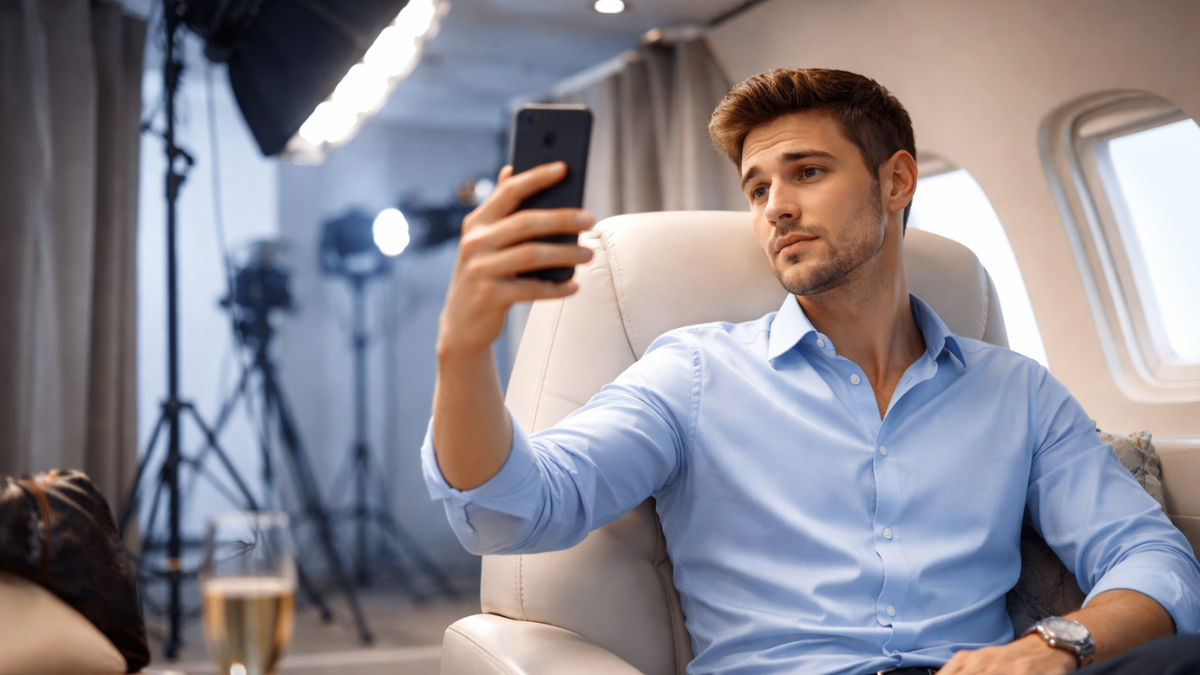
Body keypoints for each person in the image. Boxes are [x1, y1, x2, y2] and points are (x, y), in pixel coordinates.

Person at [421, 68, 1200, 675]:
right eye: (757, 187)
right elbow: (511, 510)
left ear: (896, 181)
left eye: (807, 172)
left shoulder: (1017, 390)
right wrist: (461, 349)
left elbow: (1155, 559)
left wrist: (1058, 643)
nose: (775, 206)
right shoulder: (692, 373)